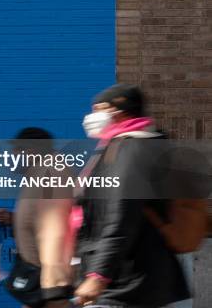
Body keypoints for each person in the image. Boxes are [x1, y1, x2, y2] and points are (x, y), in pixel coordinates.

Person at [75, 84, 190, 308]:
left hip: (128, 283)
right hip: (131, 279)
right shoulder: (117, 147)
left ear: (121, 109)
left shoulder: (131, 149)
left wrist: (98, 275)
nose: (92, 116)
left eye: (100, 109)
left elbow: (121, 216)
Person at [0, 127, 75, 308]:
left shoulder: (52, 173)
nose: (12, 156)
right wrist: (13, 219)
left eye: (16, 151)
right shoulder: (37, 173)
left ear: (31, 151)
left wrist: (54, 283)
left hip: (47, 276)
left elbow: (55, 226)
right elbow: (39, 218)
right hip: (38, 274)